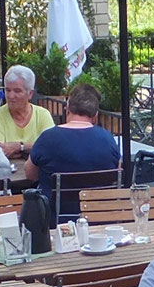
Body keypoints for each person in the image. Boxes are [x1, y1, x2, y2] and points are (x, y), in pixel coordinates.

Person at [27, 82, 121, 219]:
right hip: (99, 219)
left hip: (55, 222)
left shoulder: (47, 138)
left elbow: (30, 174)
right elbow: (116, 172)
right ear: (95, 116)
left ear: (67, 109)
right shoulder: (108, 139)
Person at [0, 65, 54, 180]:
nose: (11, 96)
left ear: (30, 94)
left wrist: (19, 147)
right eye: (7, 90)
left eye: (17, 91)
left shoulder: (43, 115)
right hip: (6, 181)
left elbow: (51, 148)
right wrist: (33, 150)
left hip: (37, 180)